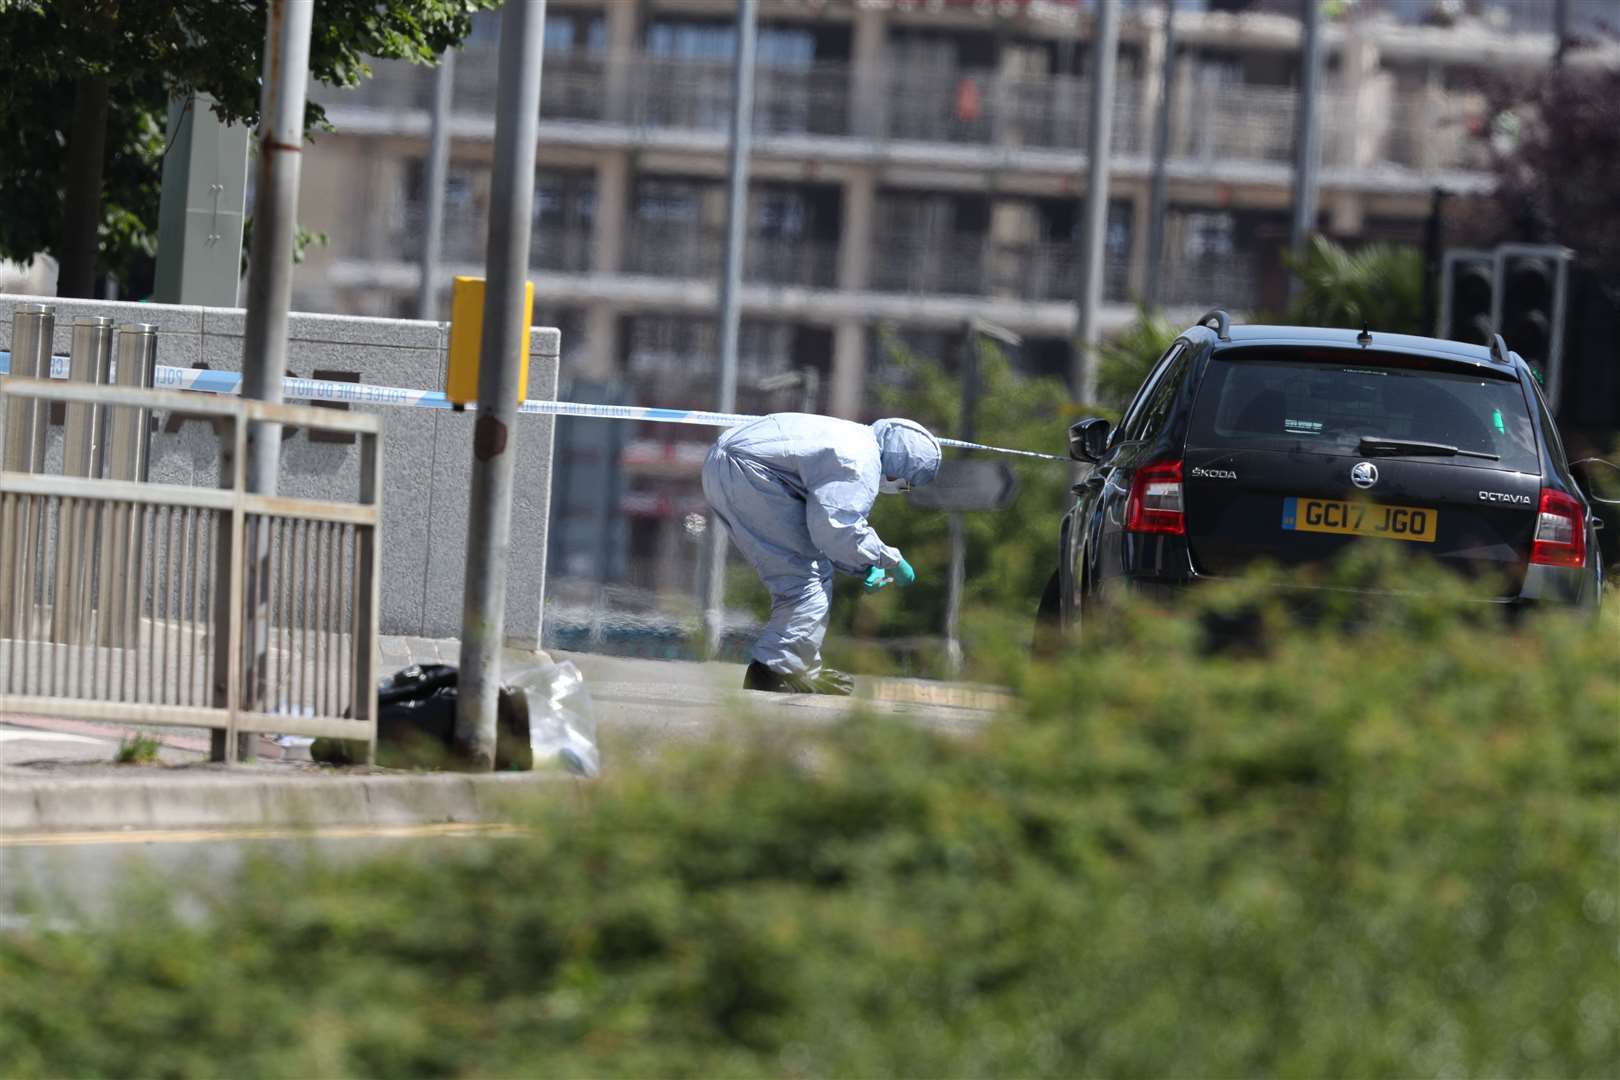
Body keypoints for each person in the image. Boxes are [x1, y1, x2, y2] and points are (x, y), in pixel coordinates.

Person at [702, 413, 942, 695]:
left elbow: (821, 531)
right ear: (901, 465)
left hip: (726, 463)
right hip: (750, 473)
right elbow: (837, 528)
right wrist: (888, 558)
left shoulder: (854, 437)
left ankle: (796, 667)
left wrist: (863, 567)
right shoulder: (860, 462)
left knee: (807, 572)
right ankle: (774, 670)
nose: (902, 487)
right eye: (907, 482)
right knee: (804, 584)